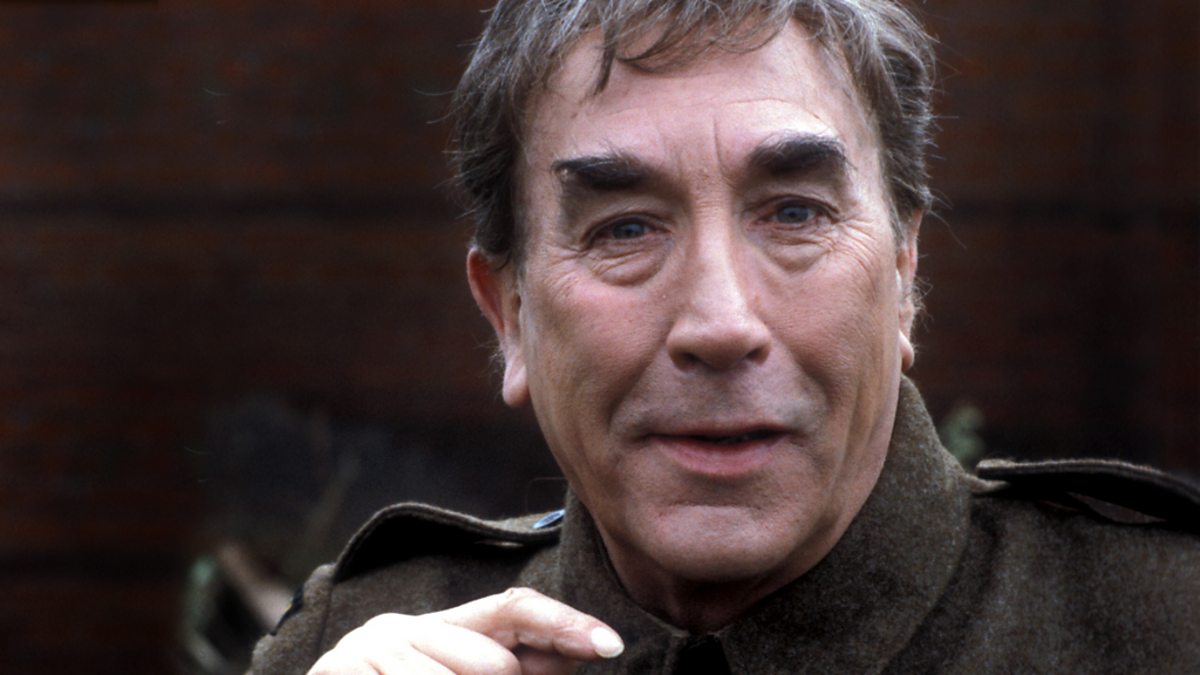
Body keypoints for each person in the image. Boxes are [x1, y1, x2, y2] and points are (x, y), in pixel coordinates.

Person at [251, 1, 1200, 672]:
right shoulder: (369, 637)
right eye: (624, 228)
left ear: (904, 277)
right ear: (511, 316)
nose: (721, 324)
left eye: (795, 213)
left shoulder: (1165, 622)